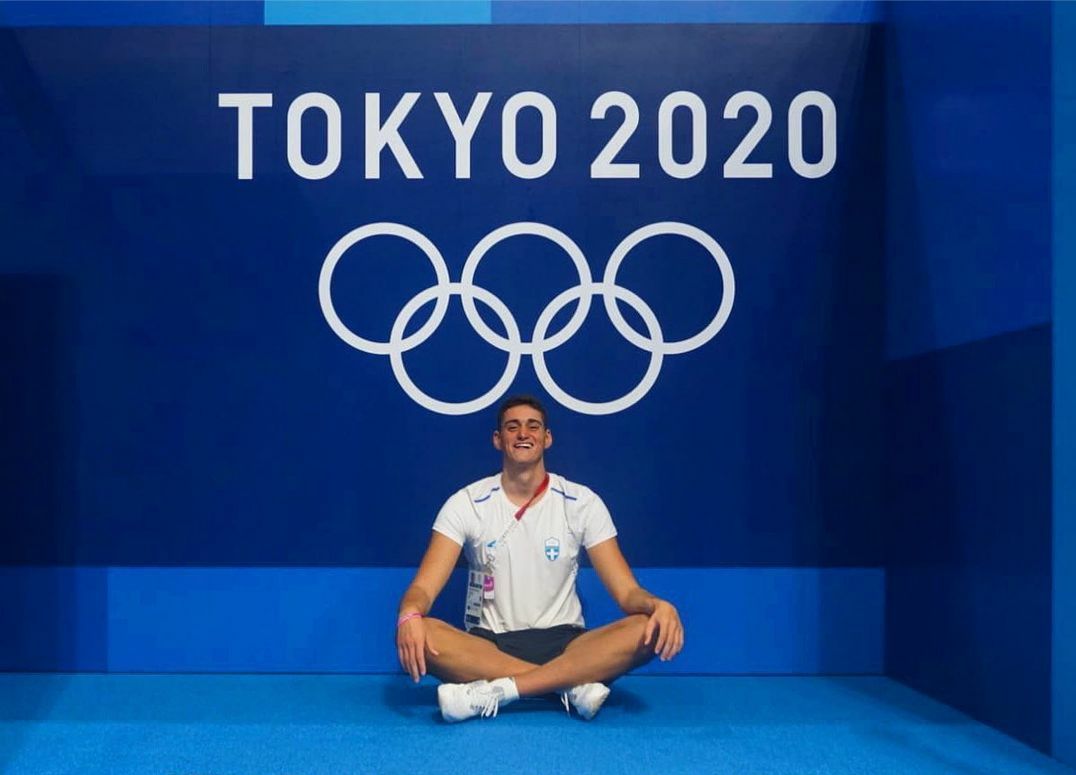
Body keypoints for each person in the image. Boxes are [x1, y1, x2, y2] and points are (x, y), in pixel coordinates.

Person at [395, 395, 684, 722]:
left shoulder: (582, 502)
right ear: (498, 439)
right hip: (490, 647)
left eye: (533, 427)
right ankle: (567, 686)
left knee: (647, 627)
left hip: (568, 644)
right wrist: (409, 614)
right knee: (422, 630)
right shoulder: (466, 503)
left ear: (547, 439)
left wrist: (656, 604)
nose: (523, 434)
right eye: (512, 427)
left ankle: (502, 690)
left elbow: (627, 592)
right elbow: (423, 588)